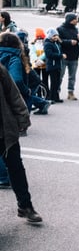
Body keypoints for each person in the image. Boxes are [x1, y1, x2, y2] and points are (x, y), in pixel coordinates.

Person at [0, 63, 42, 223]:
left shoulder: (1, 70)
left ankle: (25, 206)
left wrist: (23, 119)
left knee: (16, 168)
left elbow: (14, 95)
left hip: (5, 131)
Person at [56, 12, 79, 101]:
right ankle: (56, 91)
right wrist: (69, 42)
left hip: (74, 56)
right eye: (75, 19)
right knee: (60, 75)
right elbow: (59, 41)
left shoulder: (76, 29)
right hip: (64, 55)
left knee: (72, 76)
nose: (77, 21)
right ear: (70, 20)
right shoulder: (60, 29)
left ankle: (70, 92)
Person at [41, 28, 63, 103]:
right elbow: (49, 54)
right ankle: (51, 97)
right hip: (52, 65)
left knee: (57, 82)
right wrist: (60, 56)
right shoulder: (48, 44)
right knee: (53, 82)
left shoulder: (55, 43)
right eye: (54, 36)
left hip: (57, 65)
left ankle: (56, 96)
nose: (56, 37)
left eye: (56, 35)